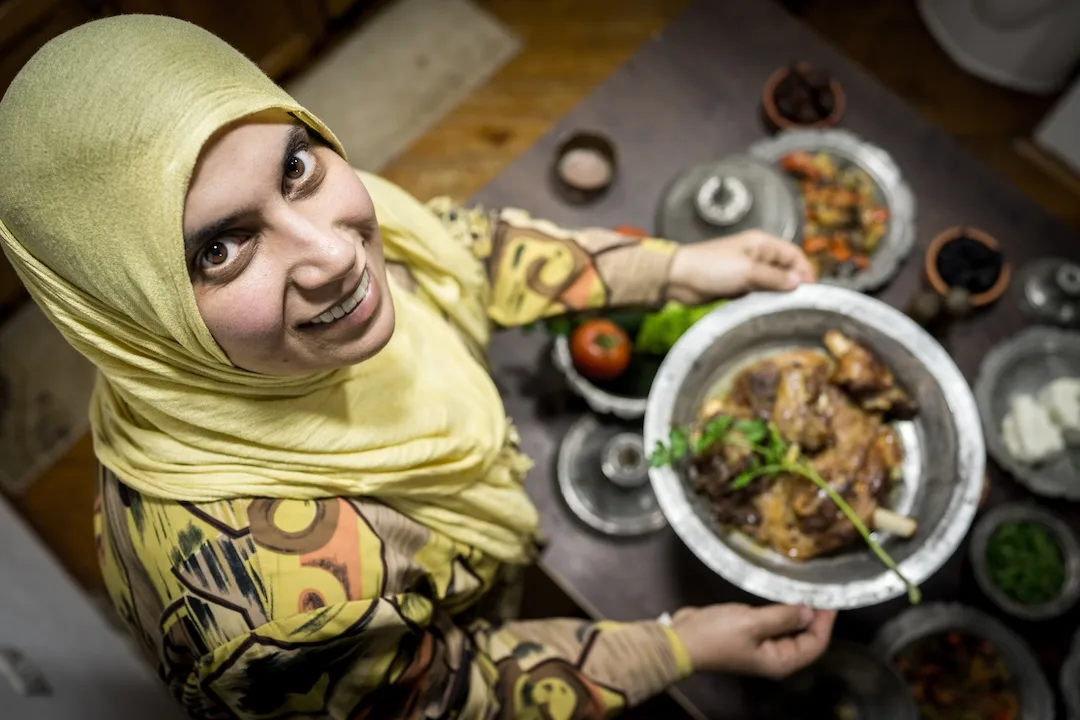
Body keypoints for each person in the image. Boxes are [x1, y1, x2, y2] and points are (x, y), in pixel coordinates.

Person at [0, 14, 834, 720]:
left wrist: (678, 269)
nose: (336, 251)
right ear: (121, 308)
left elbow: (451, 252)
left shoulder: (223, 335)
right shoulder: (281, 616)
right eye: (220, 247)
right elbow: (450, 691)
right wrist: (676, 646)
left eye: (295, 164)